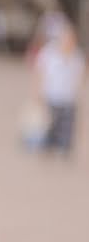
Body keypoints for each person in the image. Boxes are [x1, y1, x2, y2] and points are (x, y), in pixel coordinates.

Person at [35, 20, 85, 156]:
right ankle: (48, 148)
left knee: (67, 129)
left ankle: (63, 150)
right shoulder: (49, 53)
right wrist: (37, 93)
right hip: (53, 96)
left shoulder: (77, 56)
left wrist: (79, 94)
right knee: (51, 126)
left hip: (69, 98)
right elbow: (40, 73)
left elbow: (80, 77)